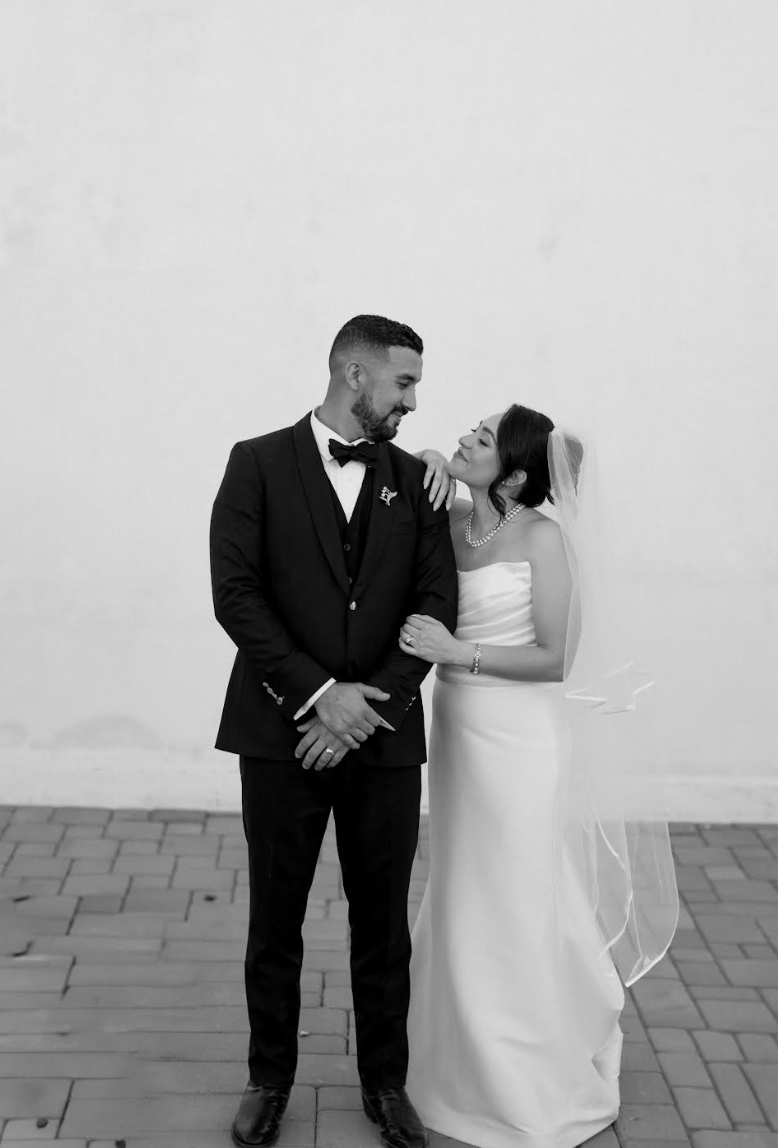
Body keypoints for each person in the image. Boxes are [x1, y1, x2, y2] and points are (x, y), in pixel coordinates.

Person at [209, 315, 458, 1148]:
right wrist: (320, 696)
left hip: (382, 741)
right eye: (404, 383)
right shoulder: (256, 464)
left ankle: (386, 1085)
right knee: (274, 920)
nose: (413, 401)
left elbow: (434, 604)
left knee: (382, 924)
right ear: (356, 376)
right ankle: (268, 1079)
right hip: (281, 734)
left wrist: (366, 706)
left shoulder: (416, 484)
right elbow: (236, 594)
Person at [400, 404, 678, 1148]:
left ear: (517, 474)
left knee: (517, 888)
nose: (464, 437)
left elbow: (556, 658)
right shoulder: (459, 519)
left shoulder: (545, 539)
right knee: (463, 882)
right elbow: (424, 468)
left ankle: (522, 1072)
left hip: (519, 738)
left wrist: (456, 653)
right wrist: (429, 453)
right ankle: (453, 1059)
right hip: (458, 731)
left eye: (481, 438)